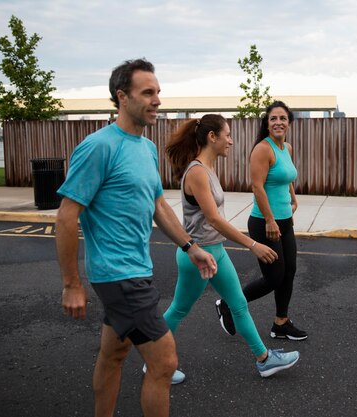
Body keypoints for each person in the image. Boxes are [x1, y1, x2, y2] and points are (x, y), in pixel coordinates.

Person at [55, 58, 217, 417]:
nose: (157, 99)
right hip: (117, 274)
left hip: (136, 268)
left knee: (114, 353)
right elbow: (67, 217)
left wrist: (191, 247)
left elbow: (158, 205)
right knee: (164, 362)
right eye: (147, 92)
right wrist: (71, 284)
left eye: (158, 91)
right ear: (122, 97)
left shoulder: (145, 148)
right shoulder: (99, 147)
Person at [163, 114, 300, 378]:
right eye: (227, 135)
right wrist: (253, 244)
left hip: (216, 252)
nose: (231, 141)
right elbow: (214, 219)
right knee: (179, 309)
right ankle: (155, 359)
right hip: (198, 255)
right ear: (212, 137)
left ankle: (264, 359)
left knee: (238, 304)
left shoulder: (207, 169)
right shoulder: (197, 172)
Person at [216, 101, 307, 341]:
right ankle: (228, 304)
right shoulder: (262, 149)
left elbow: (287, 176)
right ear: (267, 123)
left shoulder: (286, 147)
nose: (278, 122)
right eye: (273, 118)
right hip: (265, 223)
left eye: (282, 118)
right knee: (274, 277)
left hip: (285, 221)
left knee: (289, 272)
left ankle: (281, 323)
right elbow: (257, 186)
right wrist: (270, 220)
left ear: (289, 122)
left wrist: (293, 198)